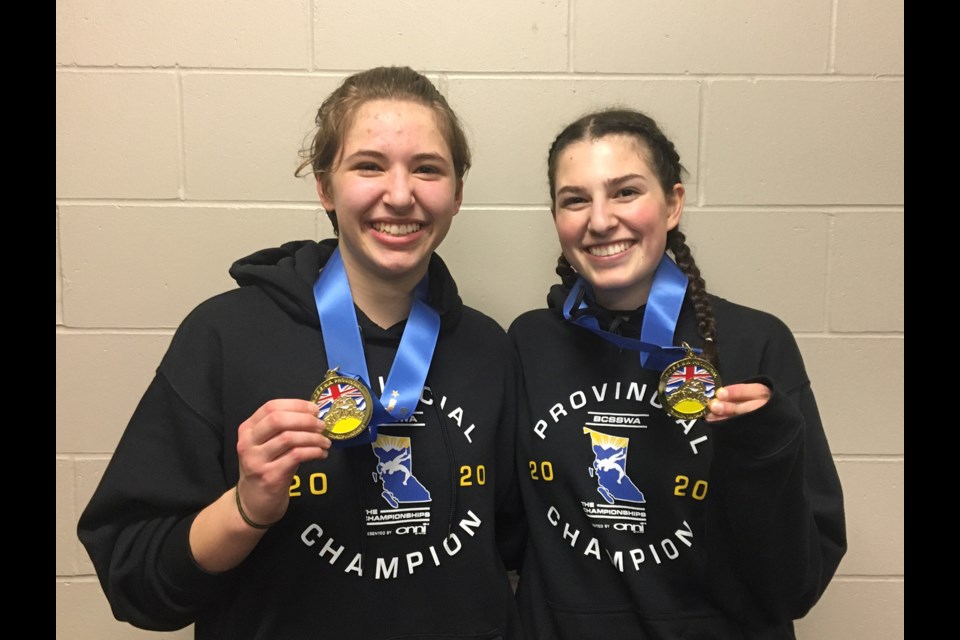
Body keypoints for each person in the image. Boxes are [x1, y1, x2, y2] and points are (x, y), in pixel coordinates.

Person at [78, 66, 525, 640]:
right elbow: (133, 579)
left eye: (427, 169)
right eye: (368, 165)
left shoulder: (487, 346)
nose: (399, 193)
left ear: (457, 194)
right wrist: (245, 509)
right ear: (324, 185)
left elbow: (511, 545)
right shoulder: (225, 335)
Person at [509, 108, 846, 639]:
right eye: (575, 199)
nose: (599, 220)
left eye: (625, 192)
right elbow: (507, 531)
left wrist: (763, 451)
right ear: (556, 217)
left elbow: (794, 589)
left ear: (672, 204)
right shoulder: (528, 343)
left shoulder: (754, 343)